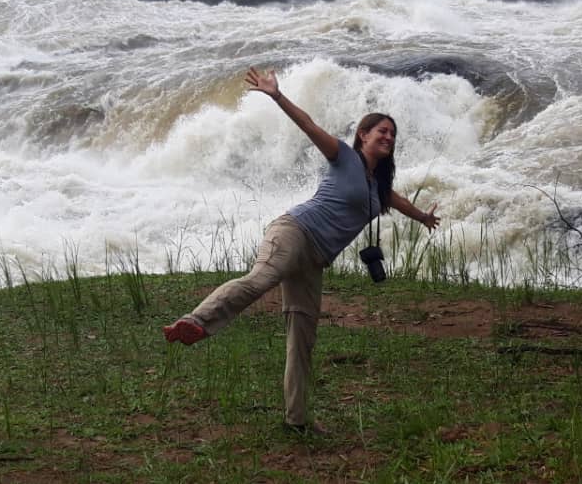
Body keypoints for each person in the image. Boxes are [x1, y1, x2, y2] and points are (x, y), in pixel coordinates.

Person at [163, 67, 440, 434]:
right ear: (363, 135)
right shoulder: (343, 156)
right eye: (381, 131)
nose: (388, 137)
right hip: (294, 230)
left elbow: (398, 201)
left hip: (315, 258)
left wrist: (422, 218)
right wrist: (277, 95)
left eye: (392, 133)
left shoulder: (378, 185)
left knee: (303, 336)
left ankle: (297, 421)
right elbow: (308, 125)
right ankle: (195, 321)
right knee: (262, 278)